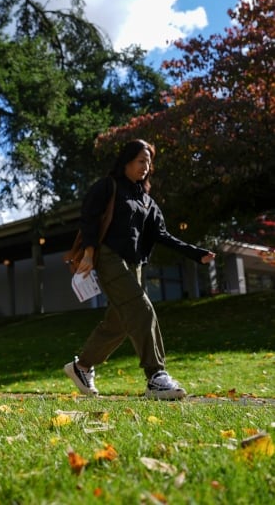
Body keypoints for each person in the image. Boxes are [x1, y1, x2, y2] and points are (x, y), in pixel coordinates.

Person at [64, 139, 215, 400]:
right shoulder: (108, 187)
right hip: (108, 258)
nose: (145, 167)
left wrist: (196, 253)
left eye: (148, 162)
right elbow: (88, 218)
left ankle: (82, 366)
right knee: (142, 309)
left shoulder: (147, 201)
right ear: (126, 161)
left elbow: (163, 235)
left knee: (119, 324)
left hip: (134, 265)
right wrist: (89, 252)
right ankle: (156, 376)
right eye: (140, 161)